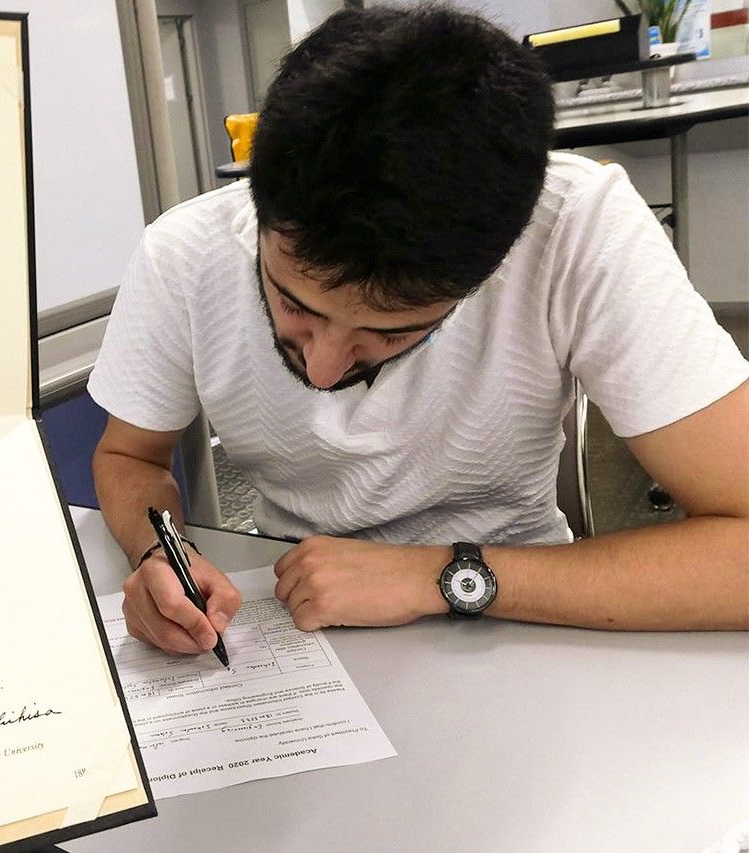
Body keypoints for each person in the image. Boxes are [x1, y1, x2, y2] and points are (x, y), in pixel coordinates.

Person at [86, 5, 749, 654]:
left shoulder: (575, 225)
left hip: (524, 615)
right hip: (292, 610)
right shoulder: (184, 254)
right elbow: (129, 458)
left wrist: (439, 576)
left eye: (391, 335)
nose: (322, 370)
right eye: (295, 306)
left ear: (492, 269)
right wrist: (157, 552)